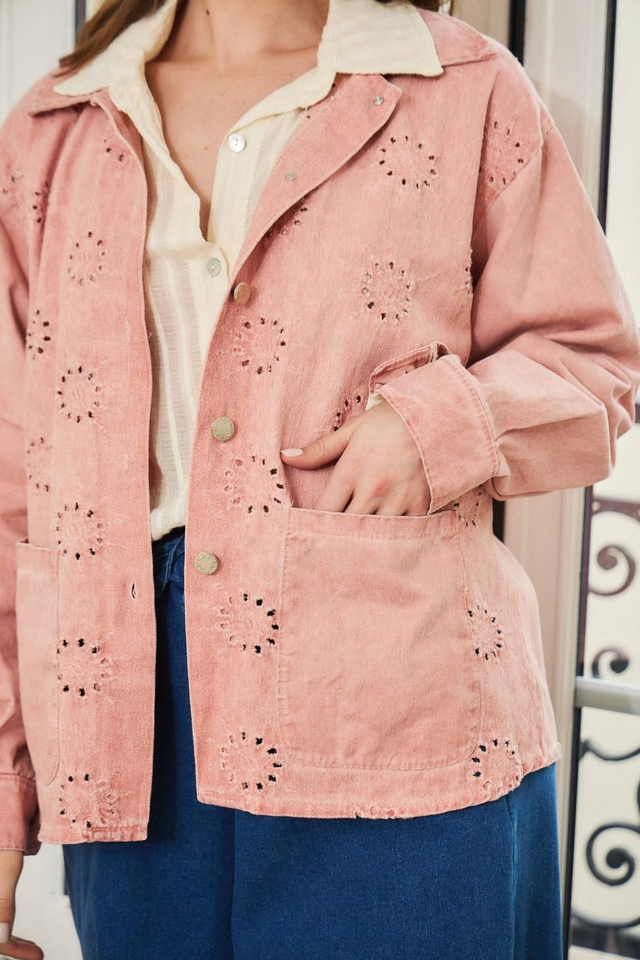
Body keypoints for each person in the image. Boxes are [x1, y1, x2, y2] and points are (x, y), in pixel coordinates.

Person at [1, 0, 639, 957]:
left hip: (406, 714)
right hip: (124, 721)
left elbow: (594, 363)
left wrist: (437, 427)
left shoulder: (461, 85)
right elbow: (15, 487)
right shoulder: (57, 125)